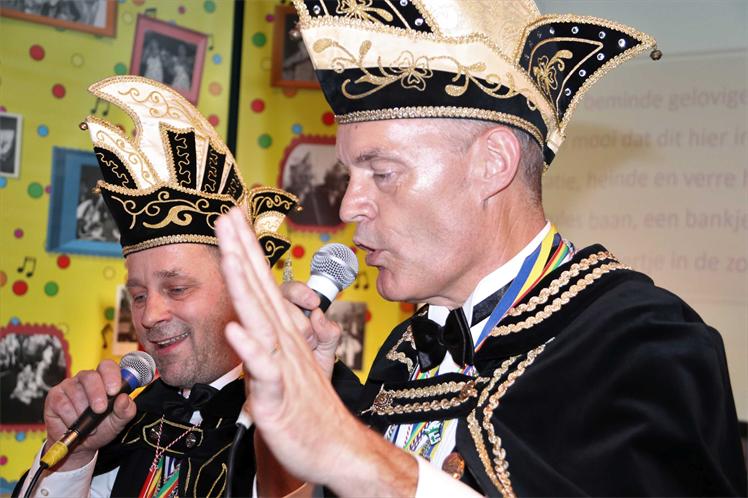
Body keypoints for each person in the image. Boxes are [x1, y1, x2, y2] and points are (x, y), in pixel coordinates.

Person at [215, 1, 747, 496]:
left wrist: (358, 457)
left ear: (493, 163)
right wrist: (297, 401)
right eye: (348, 175)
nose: (350, 206)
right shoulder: (407, 353)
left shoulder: (644, 347)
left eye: (383, 172)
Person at [13, 76, 308, 497]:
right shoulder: (123, 423)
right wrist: (74, 457)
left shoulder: (317, 415)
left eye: (177, 289)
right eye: (138, 296)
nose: (149, 316)